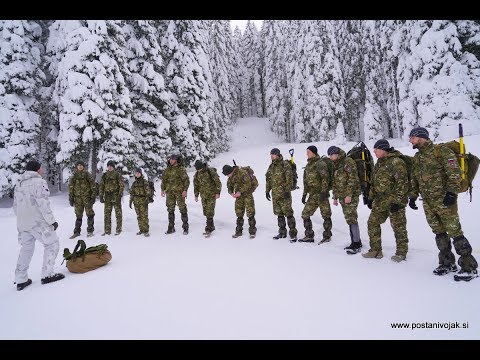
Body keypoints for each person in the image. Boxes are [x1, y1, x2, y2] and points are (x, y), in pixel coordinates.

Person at [409, 127, 478, 281]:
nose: (410, 140)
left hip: (445, 200)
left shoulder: (441, 152)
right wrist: (412, 196)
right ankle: (447, 263)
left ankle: (469, 266)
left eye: (412, 137)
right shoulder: (418, 157)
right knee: (439, 233)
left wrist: (452, 193)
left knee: (455, 232)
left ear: (421, 137)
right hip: (428, 202)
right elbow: (415, 179)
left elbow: (455, 174)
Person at [13, 160, 65, 291]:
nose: (42, 169)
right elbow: (43, 204)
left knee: (26, 249)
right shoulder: (39, 182)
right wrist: (52, 221)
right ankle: (47, 274)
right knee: (52, 244)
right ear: (37, 169)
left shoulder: (19, 184)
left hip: (23, 223)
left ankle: (21, 278)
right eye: (41, 167)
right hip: (38, 223)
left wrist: (23, 218)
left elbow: (15, 206)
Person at [363, 139, 409, 261]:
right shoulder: (379, 163)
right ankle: (376, 250)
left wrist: (398, 201)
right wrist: (370, 197)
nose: (374, 151)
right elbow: (374, 182)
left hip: (394, 201)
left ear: (383, 149)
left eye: (376, 149)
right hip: (380, 201)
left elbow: (402, 183)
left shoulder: (396, 162)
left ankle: (401, 253)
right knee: (372, 223)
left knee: (398, 227)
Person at [328, 145, 363, 253]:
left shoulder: (348, 161)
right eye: (329, 155)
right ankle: (356, 241)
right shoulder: (336, 164)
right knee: (349, 217)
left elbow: (353, 179)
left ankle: (356, 244)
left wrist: (349, 195)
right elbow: (335, 182)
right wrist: (335, 197)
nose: (330, 157)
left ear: (336, 154)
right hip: (342, 196)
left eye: (331, 155)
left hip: (350, 195)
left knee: (351, 217)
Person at [299, 145, 331, 243]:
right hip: (313, 195)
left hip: (322, 194)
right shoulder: (308, 165)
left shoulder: (320, 164)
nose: (307, 153)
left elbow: (325, 178)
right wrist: (304, 194)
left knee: (326, 215)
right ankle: (309, 236)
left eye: (308, 152)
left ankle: (327, 236)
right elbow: (305, 181)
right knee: (305, 214)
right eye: (306, 151)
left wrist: (323, 192)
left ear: (314, 152)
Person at [266, 148, 298, 242]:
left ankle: (293, 234)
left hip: (284, 195)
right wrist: (267, 191)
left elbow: (289, 180)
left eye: (273, 154)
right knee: (279, 214)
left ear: (278, 155)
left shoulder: (285, 165)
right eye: (271, 154)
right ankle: (282, 232)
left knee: (288, 214)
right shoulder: (271, 166)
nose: (271, 156)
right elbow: (268, 179)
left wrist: (287, 191)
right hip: (275, 195)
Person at [222, 164, 257, 238]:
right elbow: (229, 186)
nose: (227, 176)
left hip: (247, 195)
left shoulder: (242, 173)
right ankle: (238, 231)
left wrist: (240, 192)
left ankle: (252, 231)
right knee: (239, 213)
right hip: (239, 197)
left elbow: (248, 184)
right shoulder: (230, 177)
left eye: (227, 174)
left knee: (250, 213)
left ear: (231, 171)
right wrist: (231, 193)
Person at [161, 154, 190, 235]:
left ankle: (185, 227)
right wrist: (162, 190)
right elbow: (163, 180)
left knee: (182, 209)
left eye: (173, 159)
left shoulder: (181, 169)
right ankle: (171, 227)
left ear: (176, 160)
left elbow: (186, 181)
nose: (171, 161)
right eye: (170, 159)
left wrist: (185, 190)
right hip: (169, 192)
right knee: (170, 209)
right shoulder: (167, 170)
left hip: (179, 193)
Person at [68, 160, 96, 239]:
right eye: (78, 165)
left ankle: (90, 231)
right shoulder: (74, 176)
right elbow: (71, 188)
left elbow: (93, 186)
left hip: (87, 198)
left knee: (90, 214)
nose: (80, 166)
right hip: (78, 199)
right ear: (76, 167)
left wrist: (93, 196)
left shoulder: (87, 175)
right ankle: (77, 232)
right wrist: (71, 198)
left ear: (83, 166)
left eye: (81, 165)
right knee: (78, 215)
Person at [193, 160, 222, 236]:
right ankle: (211, 226)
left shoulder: (210, 171)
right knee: (205, 212)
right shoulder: (197, 174)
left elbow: (218, 182)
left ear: (202, 167)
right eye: (197, 169)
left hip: (211, 195)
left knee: (210, 211)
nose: (199, 170)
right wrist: (196, 195)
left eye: (200, 169)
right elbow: (196, 185)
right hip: (203, 196)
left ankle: (208, 228)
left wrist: (218, 192)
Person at [99, 160, 124, 236]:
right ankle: (107, 231)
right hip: (107, 197)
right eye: (108, 166)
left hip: (116, 196)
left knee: (118, 214)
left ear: (113, 167)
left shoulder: (117, 175)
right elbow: (101, 186)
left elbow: (121, 185)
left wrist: (120, 195)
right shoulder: (105, 175)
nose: (110, 167)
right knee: (107, 214)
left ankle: (118, 230)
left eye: (111, 166)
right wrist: (101, 195)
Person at [129, 167, 151, 237]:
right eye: (136, 173)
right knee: (139, 216)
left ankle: (146, 230)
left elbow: (148, 192)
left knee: (144, 216)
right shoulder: (134, 183)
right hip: (136, 202)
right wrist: (130, 201)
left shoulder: (144, 182)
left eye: (138, 173)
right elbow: (132, 193)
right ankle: (141, 229)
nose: (137, 174)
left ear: (141, 174)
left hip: (143, 201)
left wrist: (146, 200)